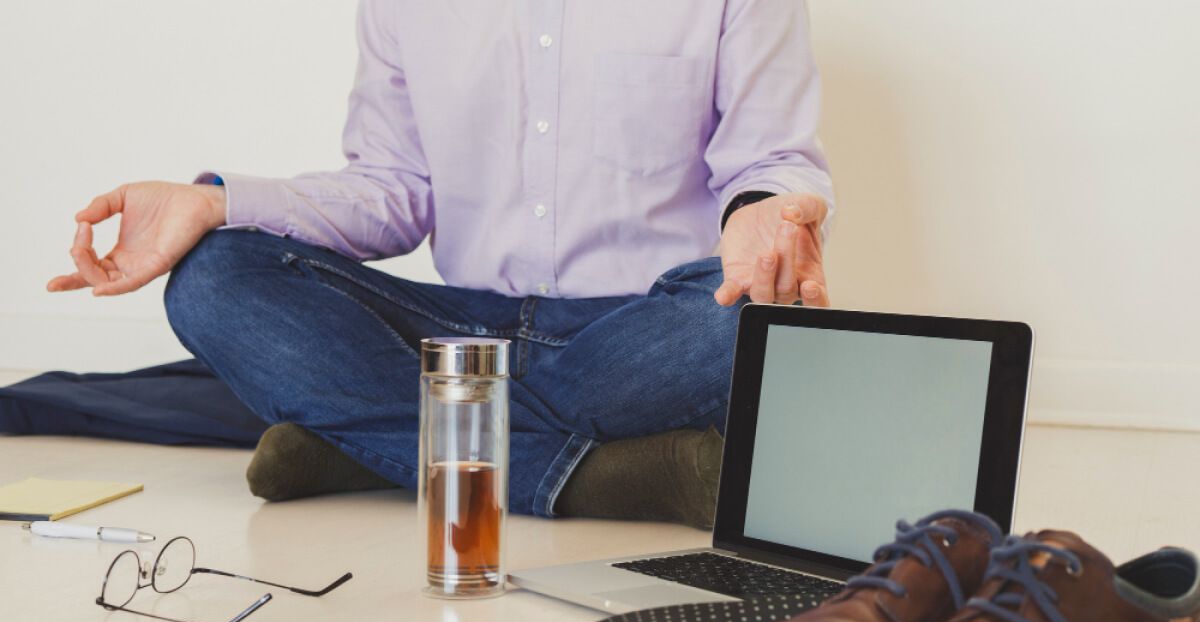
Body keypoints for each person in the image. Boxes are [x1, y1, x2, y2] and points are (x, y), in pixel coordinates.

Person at [34, 0, 834, 529]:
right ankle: (605, 476)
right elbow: (393, 190)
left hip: (640, 328)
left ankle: (369, 445)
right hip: (457, 332)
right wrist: (214, 204)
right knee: (215, 274)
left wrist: (762, 210)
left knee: (759, 323)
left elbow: (769, 161)